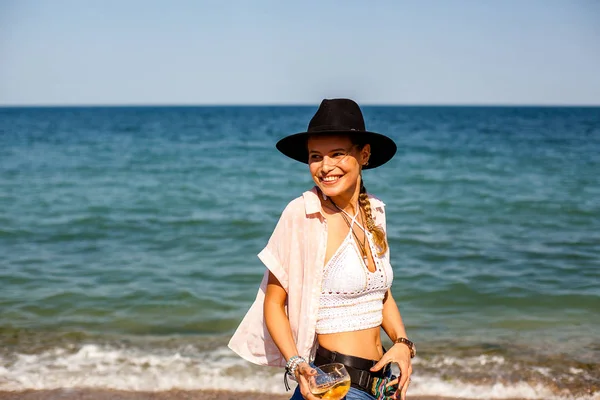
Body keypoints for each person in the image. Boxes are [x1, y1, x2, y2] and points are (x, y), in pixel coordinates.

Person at [229, 99, 415, 400]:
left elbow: (382, 294)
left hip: (382, 387)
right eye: (316, 156)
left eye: (337, 154)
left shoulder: (376, 212)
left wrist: (403, 344)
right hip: (335, 387)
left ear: (363, 155)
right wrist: (297, 364)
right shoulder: (302, 214)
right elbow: (274, 302)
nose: (325, 167)